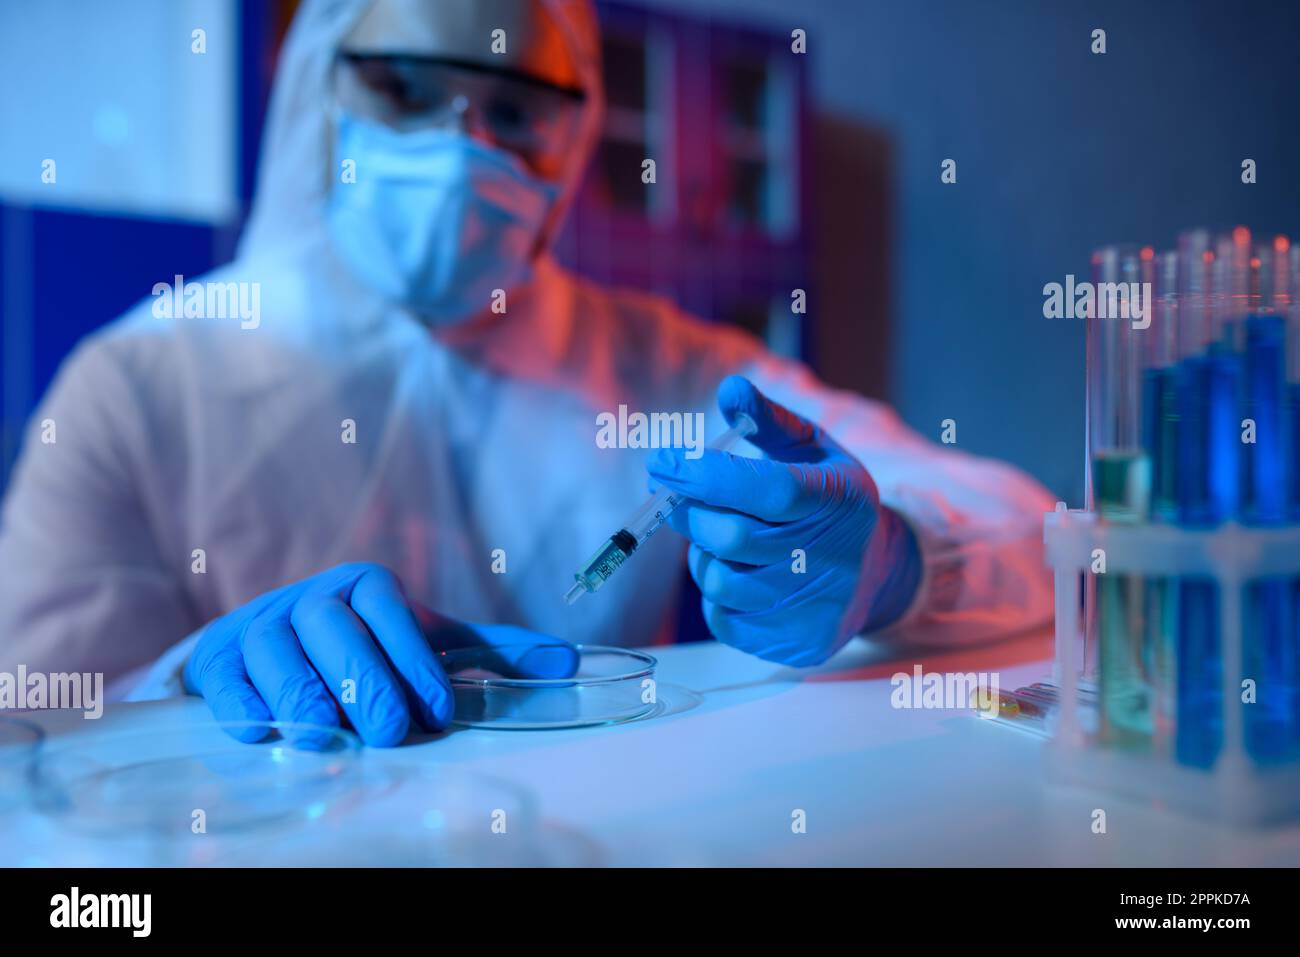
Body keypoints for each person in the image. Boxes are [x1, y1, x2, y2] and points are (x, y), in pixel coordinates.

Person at [0, 0, 1054, 746]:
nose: (463, 148)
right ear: (323, 91)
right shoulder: (136, 386)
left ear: (579, 123)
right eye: (407, 90)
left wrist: (894, 561)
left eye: (512, 111)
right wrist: (192, 679)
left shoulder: (671, 366)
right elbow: (28, 730)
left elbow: (1039, 534)